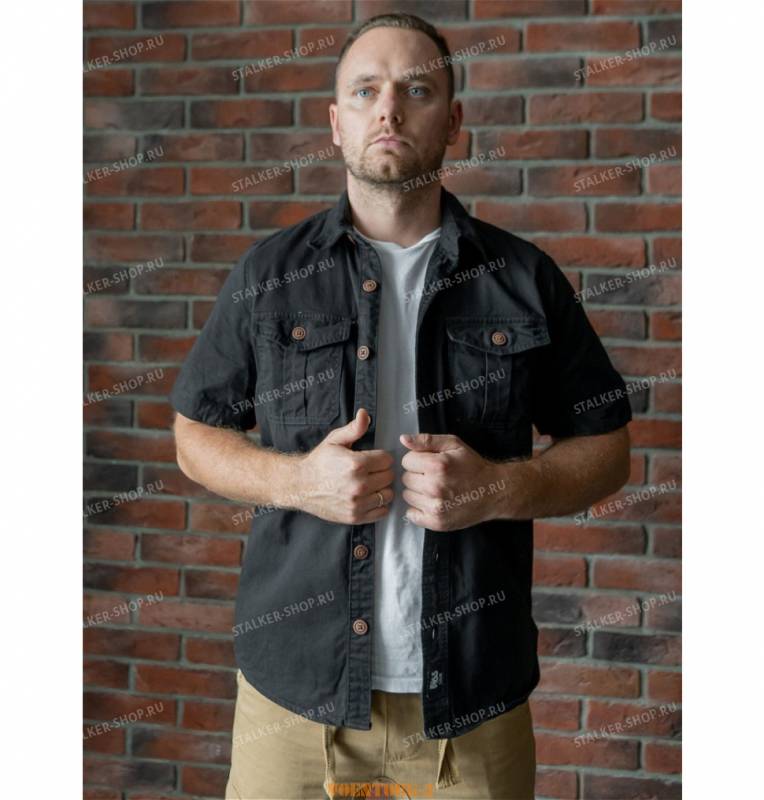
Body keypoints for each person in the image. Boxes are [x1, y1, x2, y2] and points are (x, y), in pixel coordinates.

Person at [170, 12, 632, 800]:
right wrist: (297, 482)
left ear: (452, 120)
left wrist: (499, 486)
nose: (388, 109)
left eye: (417, 90)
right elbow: (194, 435)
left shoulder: (524, 278)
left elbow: (608, 449)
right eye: (365, 90)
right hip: (295, 700)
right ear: (336, 122)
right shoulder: (269, 275)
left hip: (472, 700)